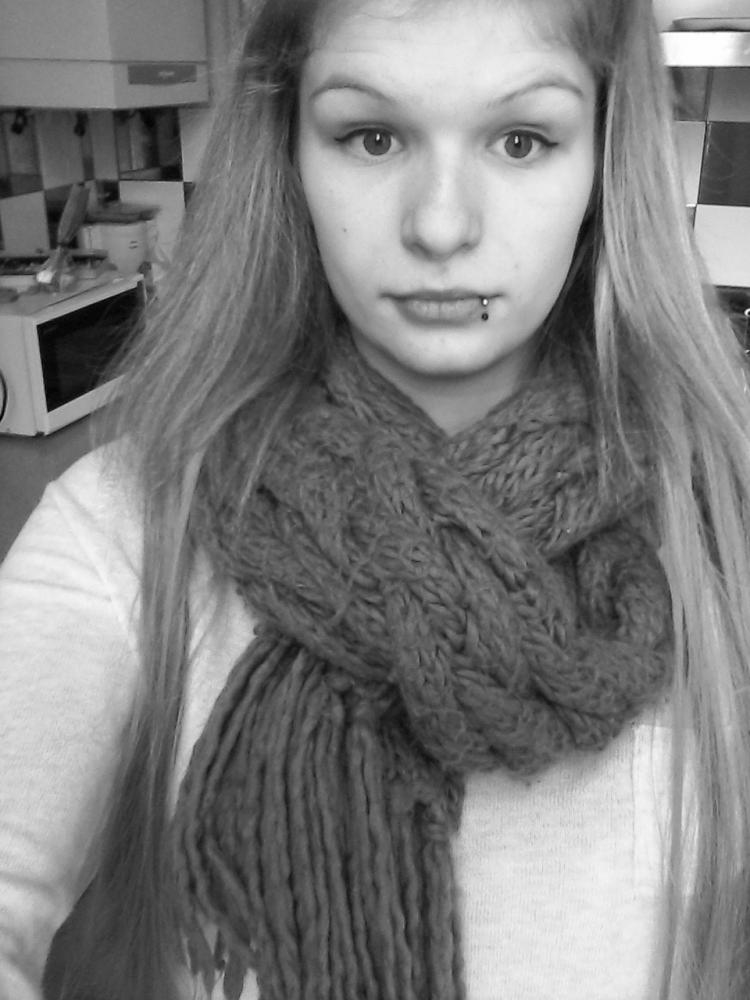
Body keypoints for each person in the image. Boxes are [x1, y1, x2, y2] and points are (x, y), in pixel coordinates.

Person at [2, 0, 750, 997]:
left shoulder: (721, 525)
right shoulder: (125, 532)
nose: (440, 225)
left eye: (522, 140)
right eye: (371, 136)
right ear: (290, 155)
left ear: (604, 165)